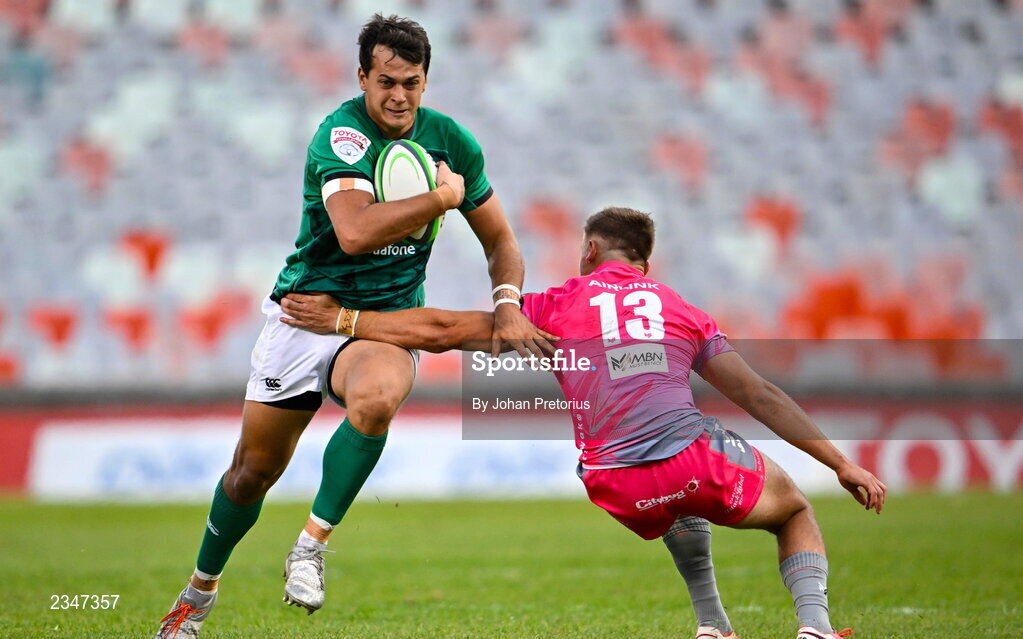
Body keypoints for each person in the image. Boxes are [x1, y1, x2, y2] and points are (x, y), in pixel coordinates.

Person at [280, 207, 886, 639]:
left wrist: (345, 321)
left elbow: (440, 330)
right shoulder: (683, 310)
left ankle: (711, 625)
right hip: (691, 460)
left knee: (675, 498)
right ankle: (816, 629)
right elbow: (758, 393)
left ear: (589, 253)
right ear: (645, 266)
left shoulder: (551, 307)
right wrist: (841, 463)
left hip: (612, 482)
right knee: (795, 509)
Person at [155, 14, 551, 639]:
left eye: (413, 83)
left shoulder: (453, 142)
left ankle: (311, 546)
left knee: (377, 398)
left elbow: (501, 236)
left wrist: (507, 301)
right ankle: (196, 596)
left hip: (383, 324)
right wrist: (442, 200)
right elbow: (356, 231)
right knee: (252, 472)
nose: (399, 96)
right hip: (305, 314)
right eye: (386, 81)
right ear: (362, 75)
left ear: (426, 81)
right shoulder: (340, 135)